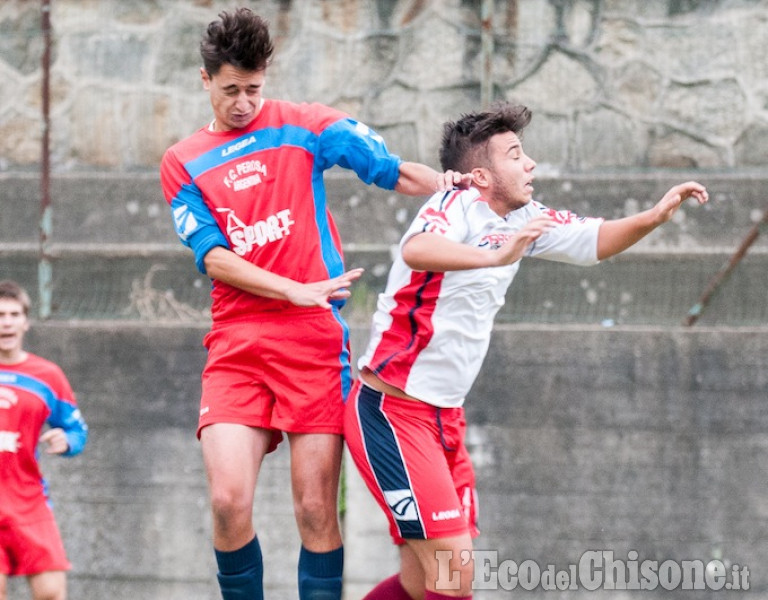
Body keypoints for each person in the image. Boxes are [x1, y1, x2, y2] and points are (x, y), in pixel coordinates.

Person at [159, 7, 472, 600]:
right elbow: (214, 257)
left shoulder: (307, 125)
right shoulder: (184, 160)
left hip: (313, 341)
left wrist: (448, 183)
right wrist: (291, 288)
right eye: (230, 90)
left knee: (313, 509)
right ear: (205, 81)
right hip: (238, 343)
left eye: (254, 88)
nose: (244, 101)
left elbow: (388, 170)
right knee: (228, 502)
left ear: (266, 76)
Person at [343, 102, 709, 600]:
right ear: (481, 175)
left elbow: (594, 240)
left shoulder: (525, 217)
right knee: (456, 575)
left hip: (444, 418)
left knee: (419, 581)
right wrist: (495, 256)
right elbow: (416, 250)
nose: (530, 163)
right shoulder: (452, 206)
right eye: (515, 154)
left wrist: (655, 216)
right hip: (392, 413)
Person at [0, 280, 89, 600]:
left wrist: (67, 441)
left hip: (29, 501)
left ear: (25, 321)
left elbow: (78, 431)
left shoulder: (47, 375)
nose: (6, 322)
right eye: (0, 315)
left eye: (13, 314)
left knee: (52, 594)